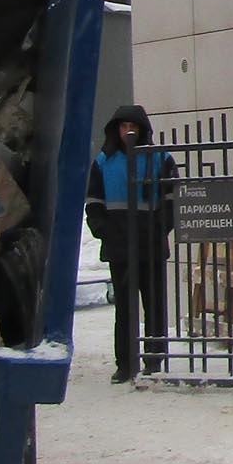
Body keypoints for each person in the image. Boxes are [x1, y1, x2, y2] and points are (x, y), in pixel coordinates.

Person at [85, 104, 177, 382]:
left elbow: (171, 200)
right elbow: (94, 203)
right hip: (120, 246)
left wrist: (159, 228)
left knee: (155, 305)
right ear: (117, 130)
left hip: (150, 244)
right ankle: (125, 363)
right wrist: (105, 231)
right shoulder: (103, 162)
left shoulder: (161, 159)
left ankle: (154, 359)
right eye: (124, 126)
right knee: (125, 309)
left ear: (143, 129)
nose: (129, 130)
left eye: (133, 126)